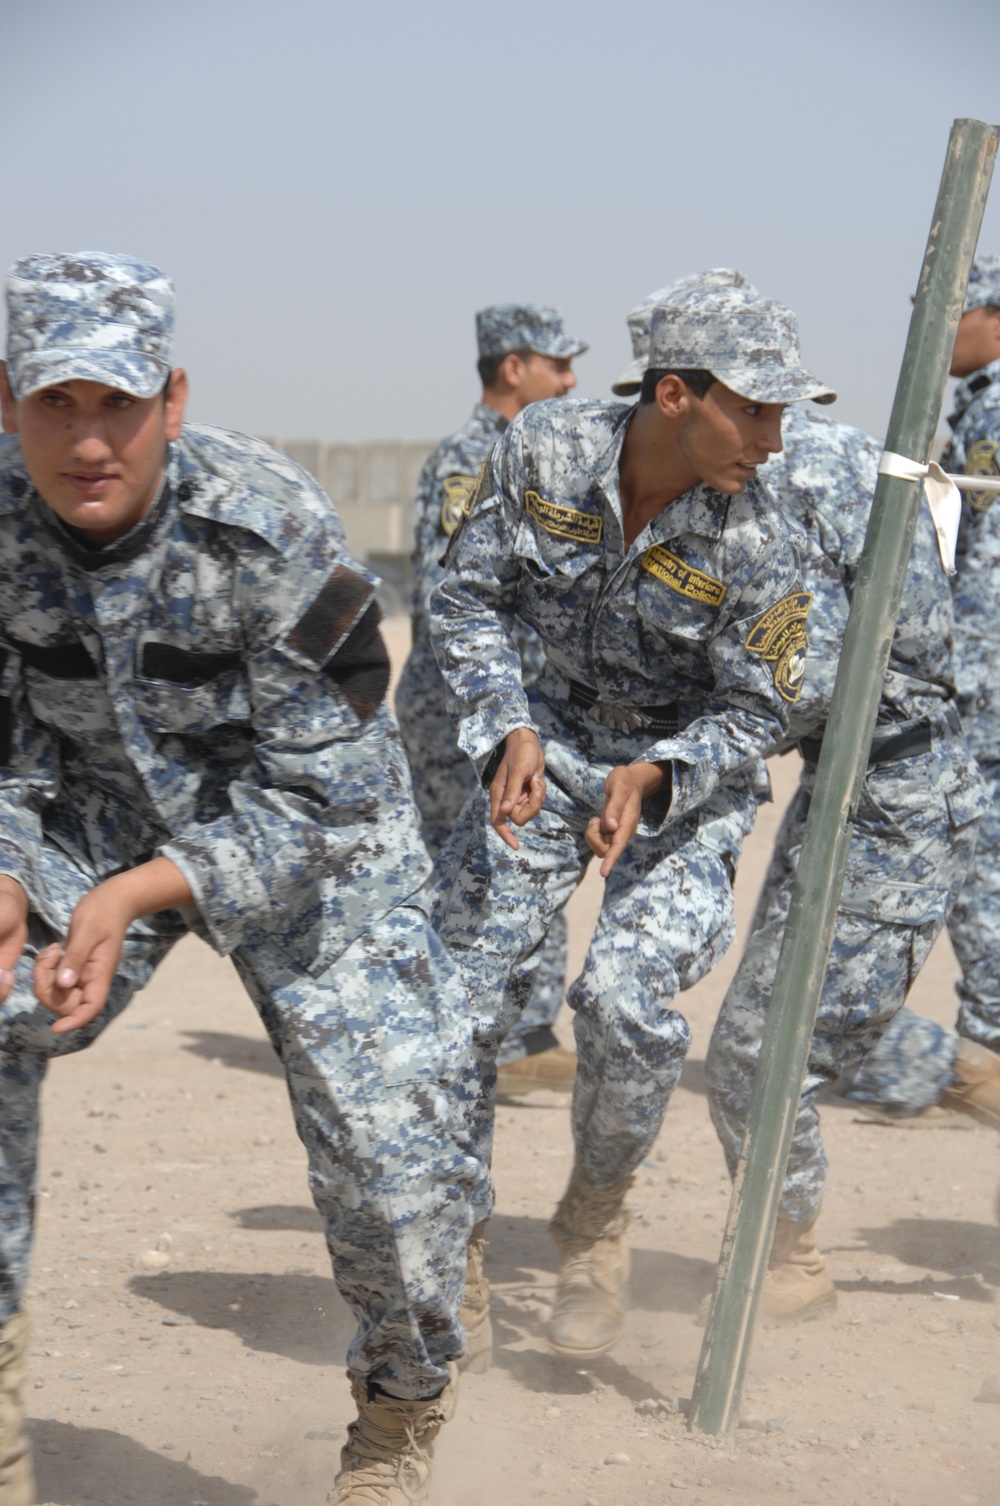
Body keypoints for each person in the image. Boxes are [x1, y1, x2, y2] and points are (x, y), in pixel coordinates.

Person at [0, 251, 487, 1506]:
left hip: (312, 844)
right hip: (96, 815)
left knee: (393, 1161)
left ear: (171, 398)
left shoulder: (266, 524)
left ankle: (398, 1410)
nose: (88, 440)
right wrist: (9, 866)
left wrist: (124, 898)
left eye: (116, 404)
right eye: (56, 404)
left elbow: (325, 794)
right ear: (8, 402)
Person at [429, 279, 834, 1362]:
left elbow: (764, 701)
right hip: (546, 743)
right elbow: (466, 597)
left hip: (683, 771)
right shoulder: (544, 452)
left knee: (625, 1005)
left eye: (782, 412)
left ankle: (594, 1222)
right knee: (455, 1000)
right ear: (671, 394)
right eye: (753, 408)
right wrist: (502, 724)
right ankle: (448, 1246)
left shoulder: (769, 522)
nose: (773, 435)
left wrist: (664, 767)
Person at [395, 304, 586, 1098]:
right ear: (513, 367)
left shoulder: (538, 457)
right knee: (468, 867)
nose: (571, 379)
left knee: (526, 857)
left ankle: (524, 1030)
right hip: (460, 712)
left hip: (523, 709)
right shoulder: (470, 461)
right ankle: (472, 1039)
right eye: (557, 363)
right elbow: (455, 600)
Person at [832, 254, 1000, 1130]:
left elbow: (989, 571)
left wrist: (953, 681)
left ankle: (983, 1056)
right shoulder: (978, 407)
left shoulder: (996, 410)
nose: (930, 330)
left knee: (976, 875)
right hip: (980, 677)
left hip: (982, 683)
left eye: (945, 311)